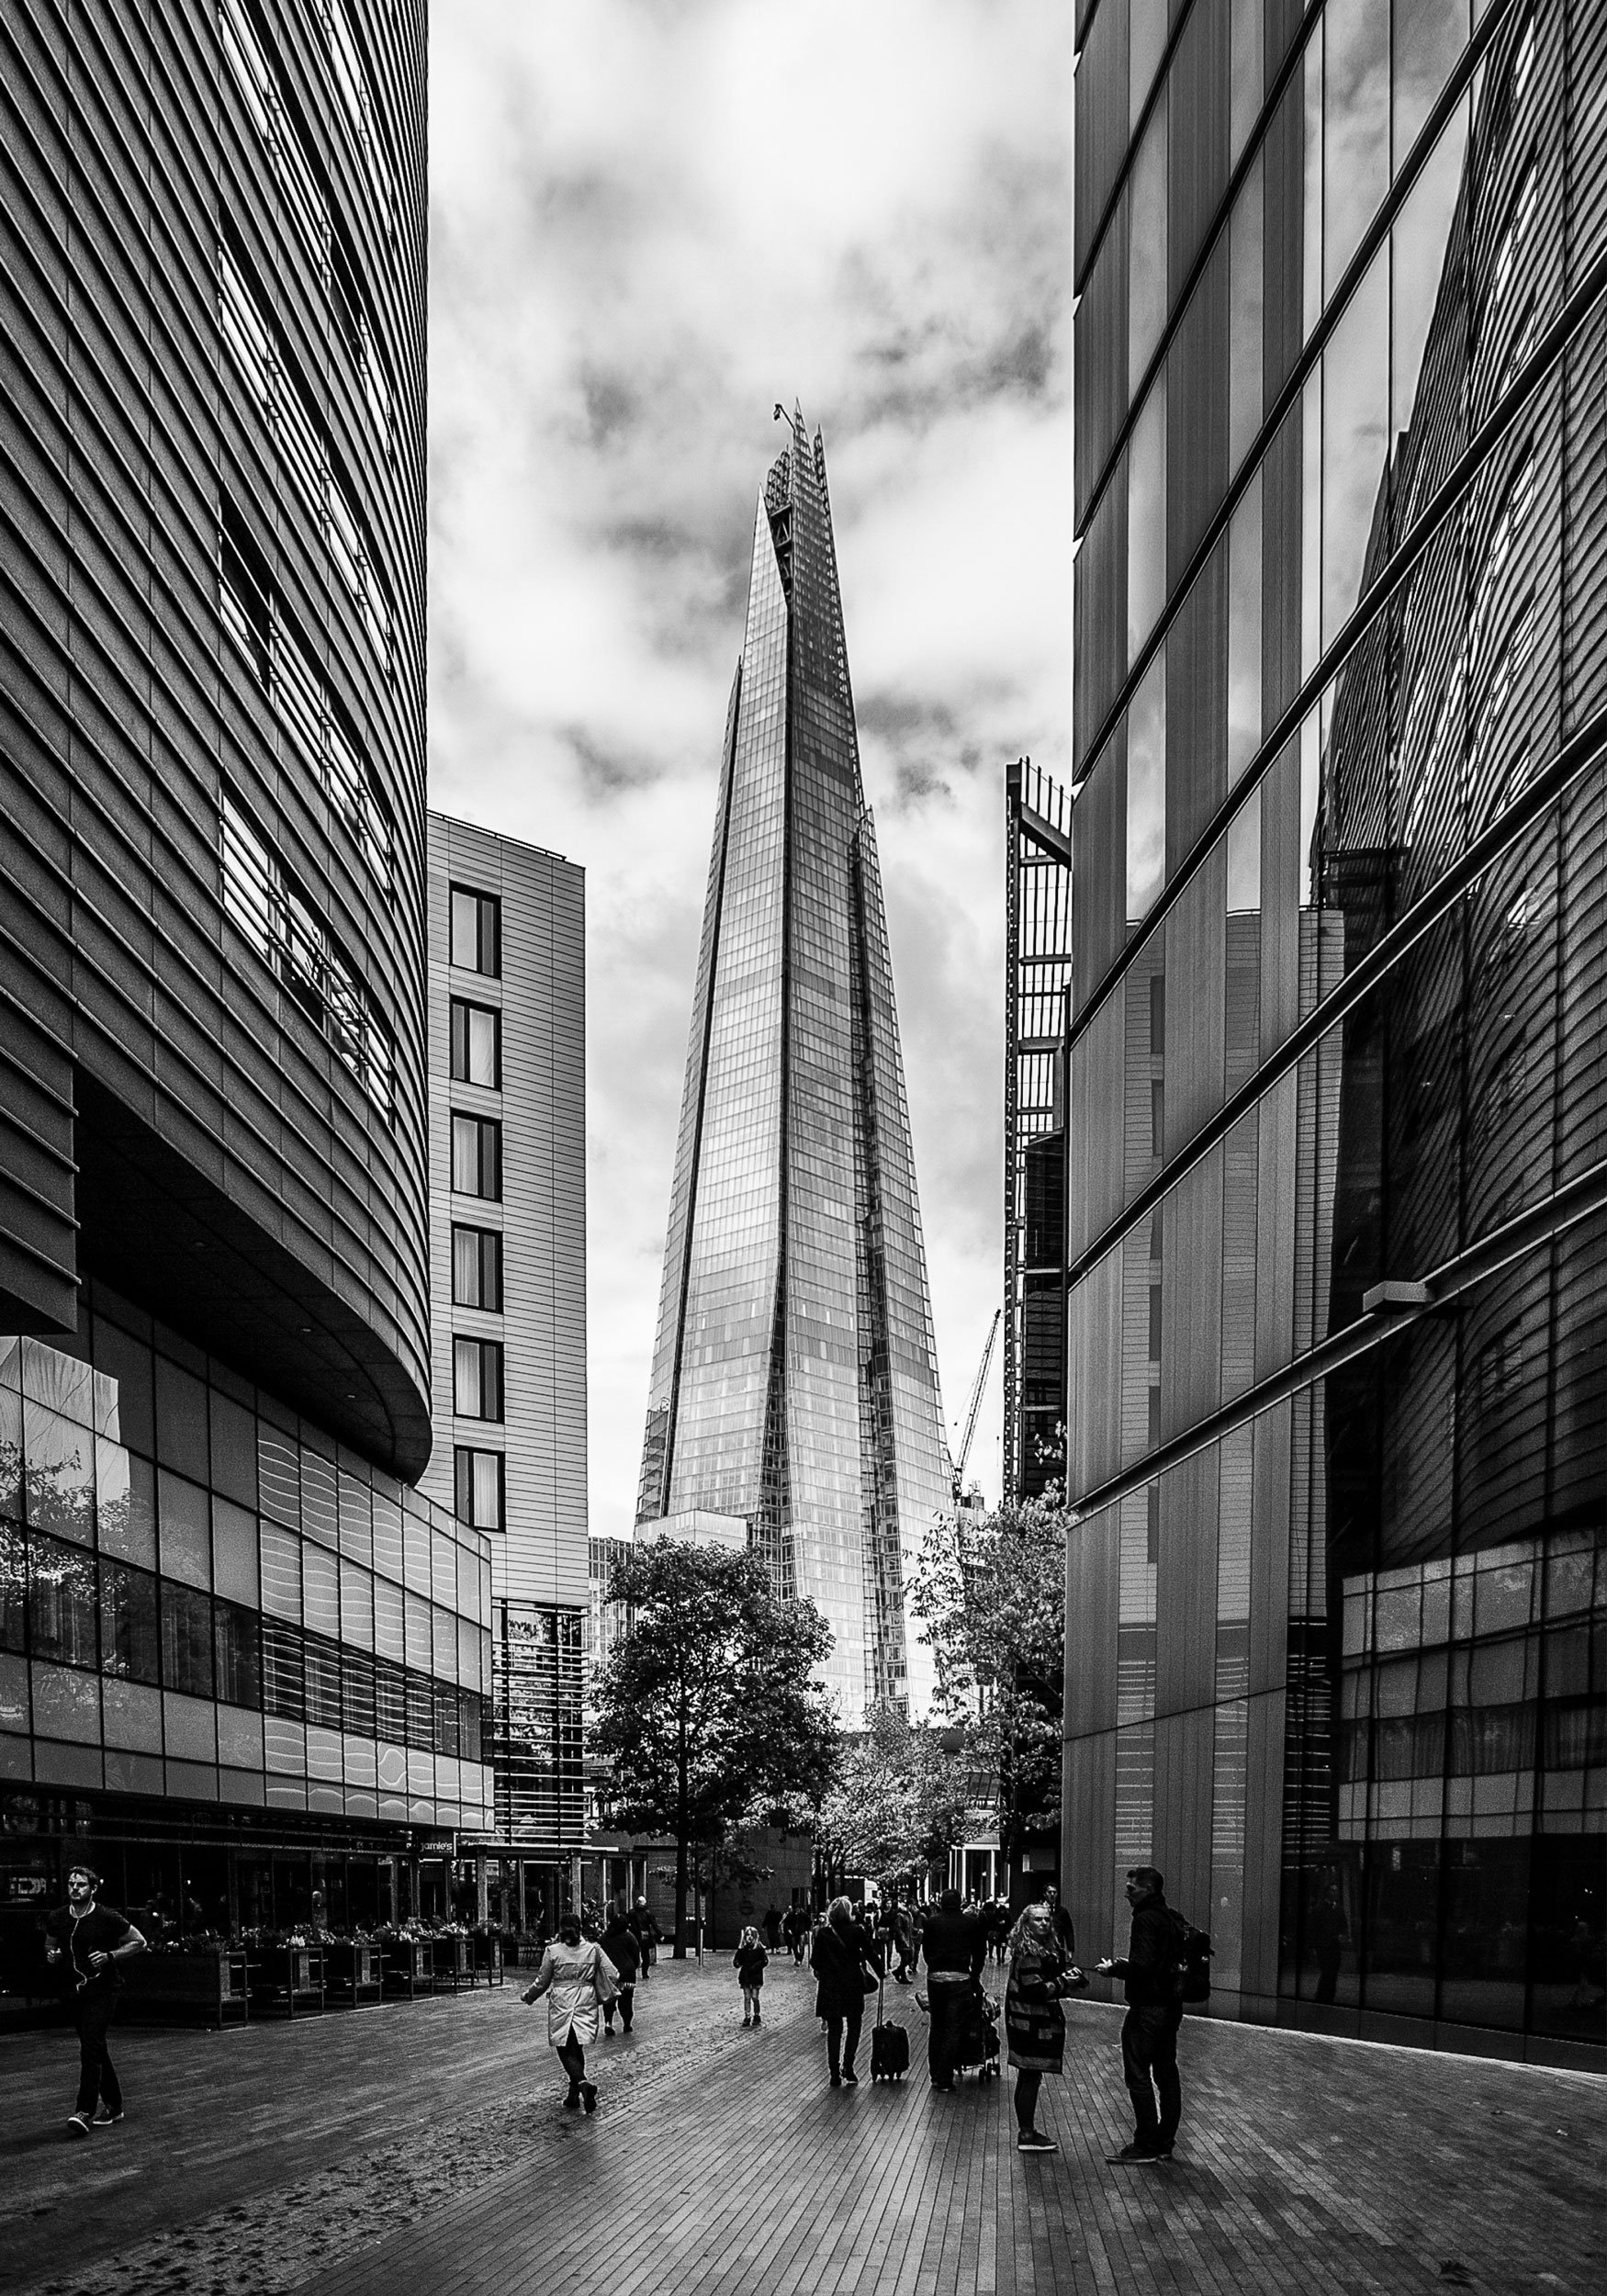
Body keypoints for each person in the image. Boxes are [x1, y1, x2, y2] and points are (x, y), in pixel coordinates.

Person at [44, 1863, 147, 2137]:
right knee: (96, 2047)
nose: (75, 1889)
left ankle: (84, 2110)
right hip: (75, 1991)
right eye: (71, 1884)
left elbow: (139, 1942)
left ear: (93, 1888)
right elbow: (50, 1943)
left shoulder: (107, 1917)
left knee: (90, 2046)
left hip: (104, 1990)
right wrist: (51, 1955)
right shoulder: (57, 1917)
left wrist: (111, 1955)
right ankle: (114, 2106)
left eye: (80, 1885)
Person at [1096, 1864, 1185, 2163]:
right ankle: (1164, 2141)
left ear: (1149, 1889)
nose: (1126, 1894)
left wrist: (1114, 1969)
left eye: (1132, 1889)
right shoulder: (1170, 1918)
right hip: (1170, 2008)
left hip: (1147, 2009)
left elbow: (1143, 1965)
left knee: (1138, 2074)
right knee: (1166, 2074)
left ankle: (1145, 2143)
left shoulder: (1145, 1920)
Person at [521, 1912, 619, 2114]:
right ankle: (573, 2095)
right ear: (580, 1928)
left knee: (564, 2048)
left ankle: (582, 2084)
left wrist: (529, 1996)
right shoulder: (594, 1950)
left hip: (562, 2003)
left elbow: (542, 1981)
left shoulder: (553, 1951)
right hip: (586, 2002)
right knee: (577, 2047)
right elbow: (613, 1974)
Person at [1006, 1898, 1078, 2154]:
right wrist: (1063, 1982)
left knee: (1029, 2076)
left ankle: (1026, 2130)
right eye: (1038, 1919)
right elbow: (1035, 1989)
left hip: (1028, 2022)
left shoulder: (1036, 1949)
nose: (1045, 1923)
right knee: (1030, 2075)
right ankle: (1026, 2132)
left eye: (1047, 1919)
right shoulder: (1029, 1953)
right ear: (1026, 1923)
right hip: (1030, 2023)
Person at [918, 1886, 986, 2091]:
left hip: (936, 1979)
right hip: (960, 1979)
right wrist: (974, 1975)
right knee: (953, 2028)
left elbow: (926, 1950)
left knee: (936, 2026)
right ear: (960, 1902)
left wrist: (934, 1966)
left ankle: (935, 2074)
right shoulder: (971, 1923)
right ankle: (945, 2077)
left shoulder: (931, 1923)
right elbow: (980, 1952)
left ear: (940, 1902)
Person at [810, 1896, 879, 2088]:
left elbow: (815, 1961)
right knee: (854, 2025)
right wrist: (880, 1972)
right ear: (849, 1913)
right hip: (852, 1985)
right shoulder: (857, 1931)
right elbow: (870, 1952)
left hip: (830, 1987)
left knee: (834, 2029)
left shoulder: (823, 1934)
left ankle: (833, 2072)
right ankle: (848, 2065)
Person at [600, 1903, 641, 2033]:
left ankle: (608, 2023)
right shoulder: (629, 1937)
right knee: (626, 2000)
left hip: (609, 1974)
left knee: (609, 2000)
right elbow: (636, 1956)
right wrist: (634, 1966)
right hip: (627, 1973)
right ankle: (627, 2023)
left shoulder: (604, 1938)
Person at [734, 1924, 768, 2025]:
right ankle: (747, 2016)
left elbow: (764, 1961)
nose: (749, 1938)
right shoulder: (743, 1949)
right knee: (747, 1997)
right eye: (747, 1935)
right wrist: (737, 1961)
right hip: (745, 1976)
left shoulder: (759, 1949)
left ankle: (756, 2014)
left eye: (751, 1935)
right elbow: (737, 1961)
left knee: (755, 1997)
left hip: (755, 1976)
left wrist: (756, 1967)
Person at [627, 1895, 660, 1982]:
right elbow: (654, 1924)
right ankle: (644, 1973)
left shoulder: (631, 1913)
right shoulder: (648, 1913)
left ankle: (633, 1971)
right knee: (645, 1956)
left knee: (634, 1954)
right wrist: (660, 1934)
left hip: (634, 1936)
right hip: (644, 1936)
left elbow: (627, 1923)